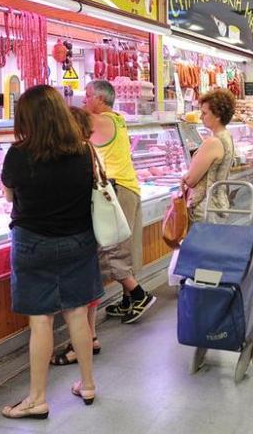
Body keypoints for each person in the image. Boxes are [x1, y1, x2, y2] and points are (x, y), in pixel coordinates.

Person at [0, 85, 102, 419]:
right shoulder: (84, 150)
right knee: (77, 313)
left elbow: (8, 197)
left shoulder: (18, 153)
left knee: (40, 320)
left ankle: (37, 398)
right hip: (78, 240)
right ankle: (87, 384)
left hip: (33, 243)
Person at [83, 80, 154, 325]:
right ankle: (127, 301)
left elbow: (66, 122)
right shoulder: (117, 118)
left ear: (100, 98)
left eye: (88, 95)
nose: (84, 100)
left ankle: (140, 295)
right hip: (128, 187)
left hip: (116, 190)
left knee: (111, 247)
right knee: (125, 245)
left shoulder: (99, 120)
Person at [50, 107, 104, 366]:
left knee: (78, 300)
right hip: (90, 226)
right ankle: (90, 336)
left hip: (75, 230)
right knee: (89, 288)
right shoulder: (89, 150)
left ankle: (79, 344)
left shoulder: (76, 152)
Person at [181, 89, 236, 222]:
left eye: (204, 113)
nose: (201, 117)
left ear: (217, 115)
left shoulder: (213, 142)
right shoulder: (227, 136)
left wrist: (184, 178)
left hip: (205, 208)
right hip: (218, 203)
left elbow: (191, 180)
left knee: (201, 242)